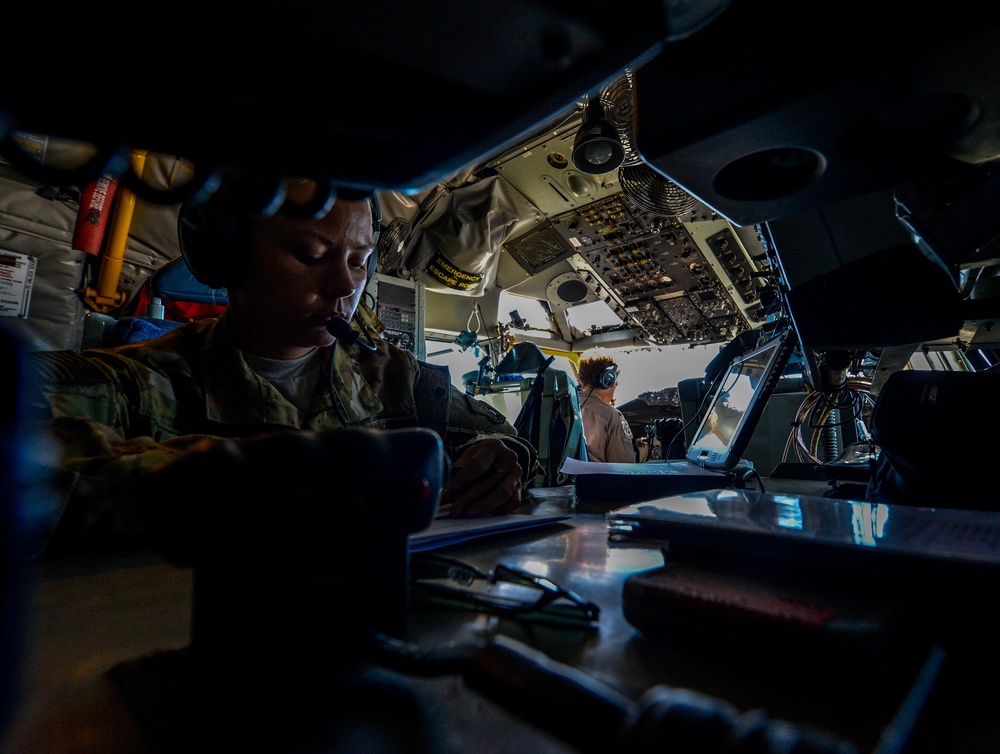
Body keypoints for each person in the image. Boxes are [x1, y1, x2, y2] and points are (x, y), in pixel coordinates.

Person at [23, 172, 539, 554]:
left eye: (359, 261)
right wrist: (247, 485)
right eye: (313, 255)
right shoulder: (143, 379)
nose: (345, 286)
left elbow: (508, 443)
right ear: (226, 256)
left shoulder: (391, 377)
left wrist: (497, 460)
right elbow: (22, 437)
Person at [577, 356, 635, 463]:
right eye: (616, 382)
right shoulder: (612, 416)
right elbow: (624, 469)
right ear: (608, 380)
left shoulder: (566, 406)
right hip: (594, 479)